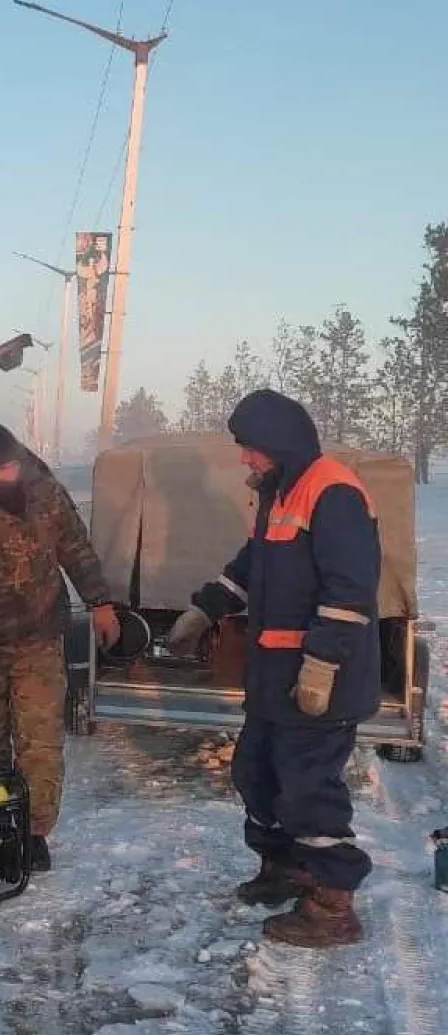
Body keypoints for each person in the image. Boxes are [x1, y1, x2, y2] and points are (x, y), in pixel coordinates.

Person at [167, 389, 380, 948]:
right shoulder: (280, 492)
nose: (245, 459)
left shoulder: (334, 492)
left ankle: (333, 906)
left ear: (280, 444)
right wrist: (205, 606)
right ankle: (288, 870)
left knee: (309, 792)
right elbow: (254, 563)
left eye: (251, 449)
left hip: (319, 681)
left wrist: (321, 665)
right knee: (256, 776)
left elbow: (350, 590)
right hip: (273, 679)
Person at [0, 422, 120, 872]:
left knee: (41, 744)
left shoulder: (45, 494)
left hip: (40, 643)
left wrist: (100, 602)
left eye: (15, 464)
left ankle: (31, 835)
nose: (13, 473)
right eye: (2, 469)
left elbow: (77, 549)